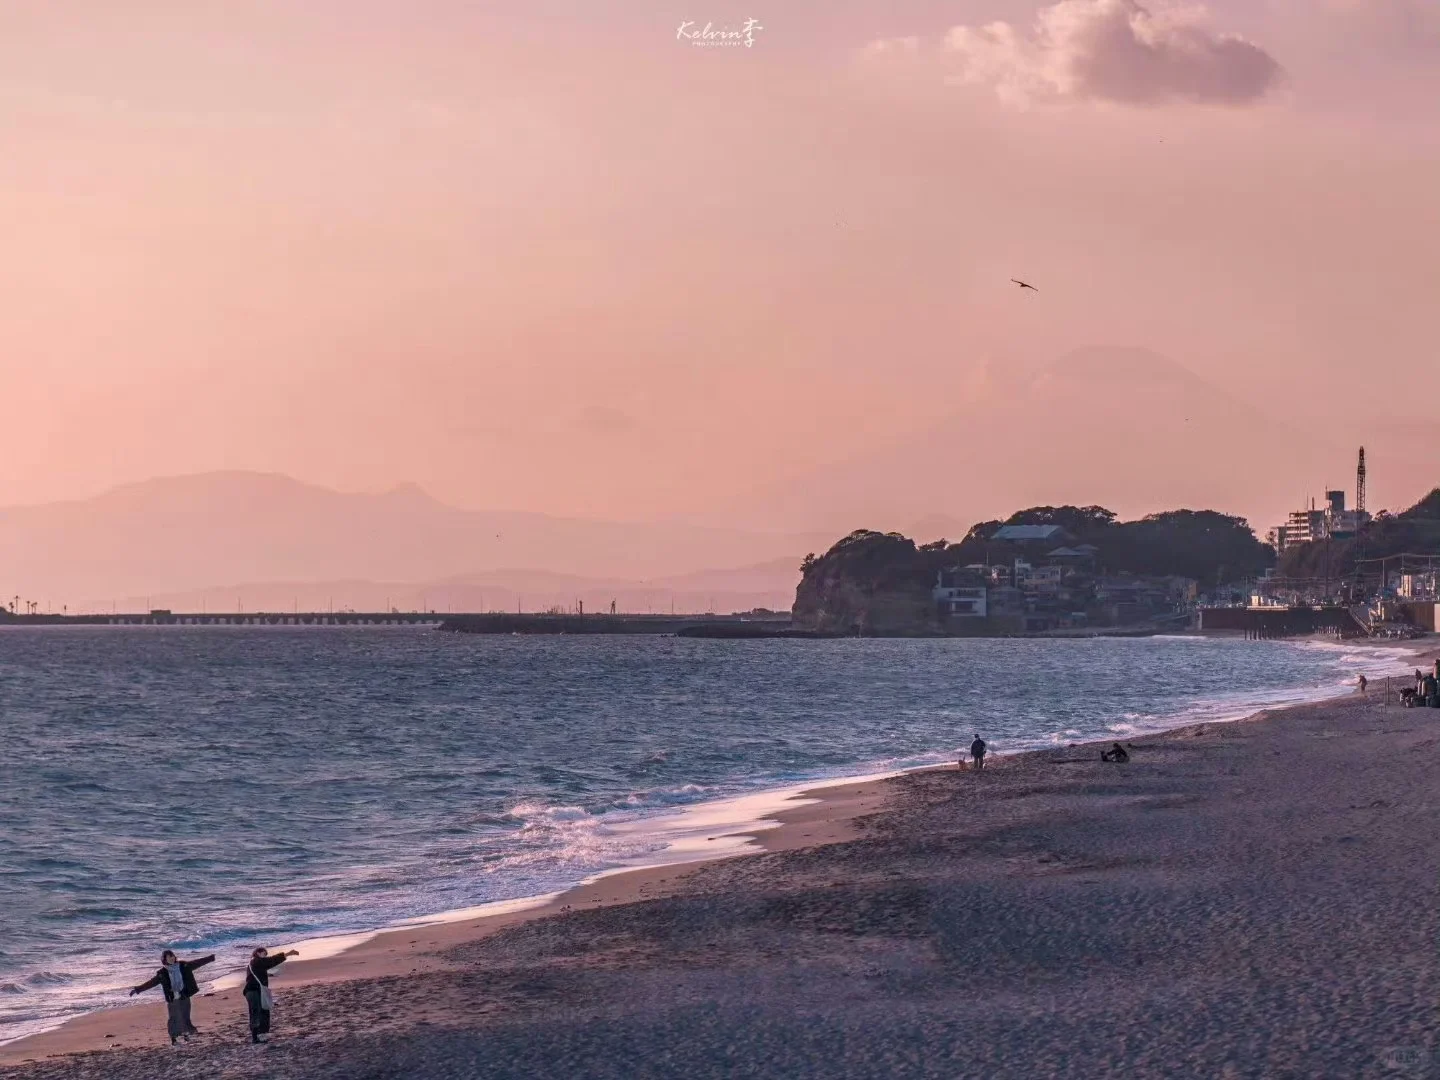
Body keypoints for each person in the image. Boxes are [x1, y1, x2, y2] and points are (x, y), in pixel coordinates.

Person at [129, 949, 215, 1045]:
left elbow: (198, 963)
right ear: (164, 959)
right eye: (169, 957)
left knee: (185, 1015)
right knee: (173, 1018)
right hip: (172, 998)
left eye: (172, 956)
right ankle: (174, 1039)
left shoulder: (183, 966)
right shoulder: (162, 973)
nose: (172, 958)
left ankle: (186, 1036)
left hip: (184, 995)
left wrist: (210, 958)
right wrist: (137, 990)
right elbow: (151, 983)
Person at [243, 946, 299, 1044]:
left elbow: (261, 970)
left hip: (256, 991)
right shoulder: (256, 961)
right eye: (264, 954)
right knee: (256, 1013)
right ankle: (255, 1038)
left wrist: (269, 974)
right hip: (253, 991)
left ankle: (260, 1035)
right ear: (258, 953)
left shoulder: (255, 963)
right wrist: (288, 954)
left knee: (263, 1011)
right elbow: (271, 961)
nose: (265, 956)